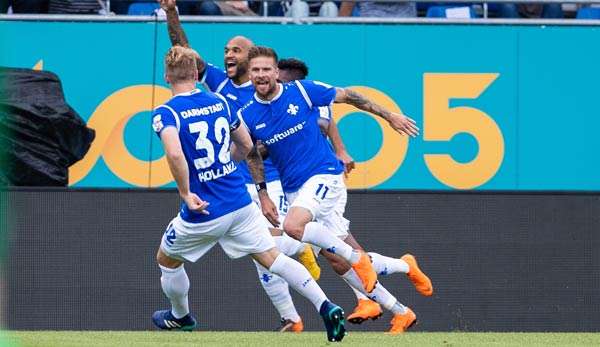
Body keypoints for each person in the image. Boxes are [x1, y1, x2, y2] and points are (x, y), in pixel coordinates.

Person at [158, 0, 356, 332]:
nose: (228, 55)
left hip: (272, 181)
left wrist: (338, 148)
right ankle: (295, 316)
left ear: (255, 62)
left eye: (236, 50)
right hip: (237, 186)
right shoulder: (220, 89)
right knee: (265, 257)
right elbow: (184, 55)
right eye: (225, 50)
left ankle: (338, 275)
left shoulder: (272, 89)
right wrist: (171, 13)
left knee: (285, 244)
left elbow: (321, 115)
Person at [240, 46, 432, 334]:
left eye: (266, 69)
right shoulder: (248, 113)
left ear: (276, 71)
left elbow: (350, 97)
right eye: (255, 70)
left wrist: (389, 115)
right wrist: (264, 194)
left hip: (324, 176)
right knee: (337, 260)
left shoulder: (303, 91)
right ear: (250, 74)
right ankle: (402, 308)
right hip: (295, 190)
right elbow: (251, 153)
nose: (261, 75)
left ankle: (362, 262)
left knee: (295, 228)